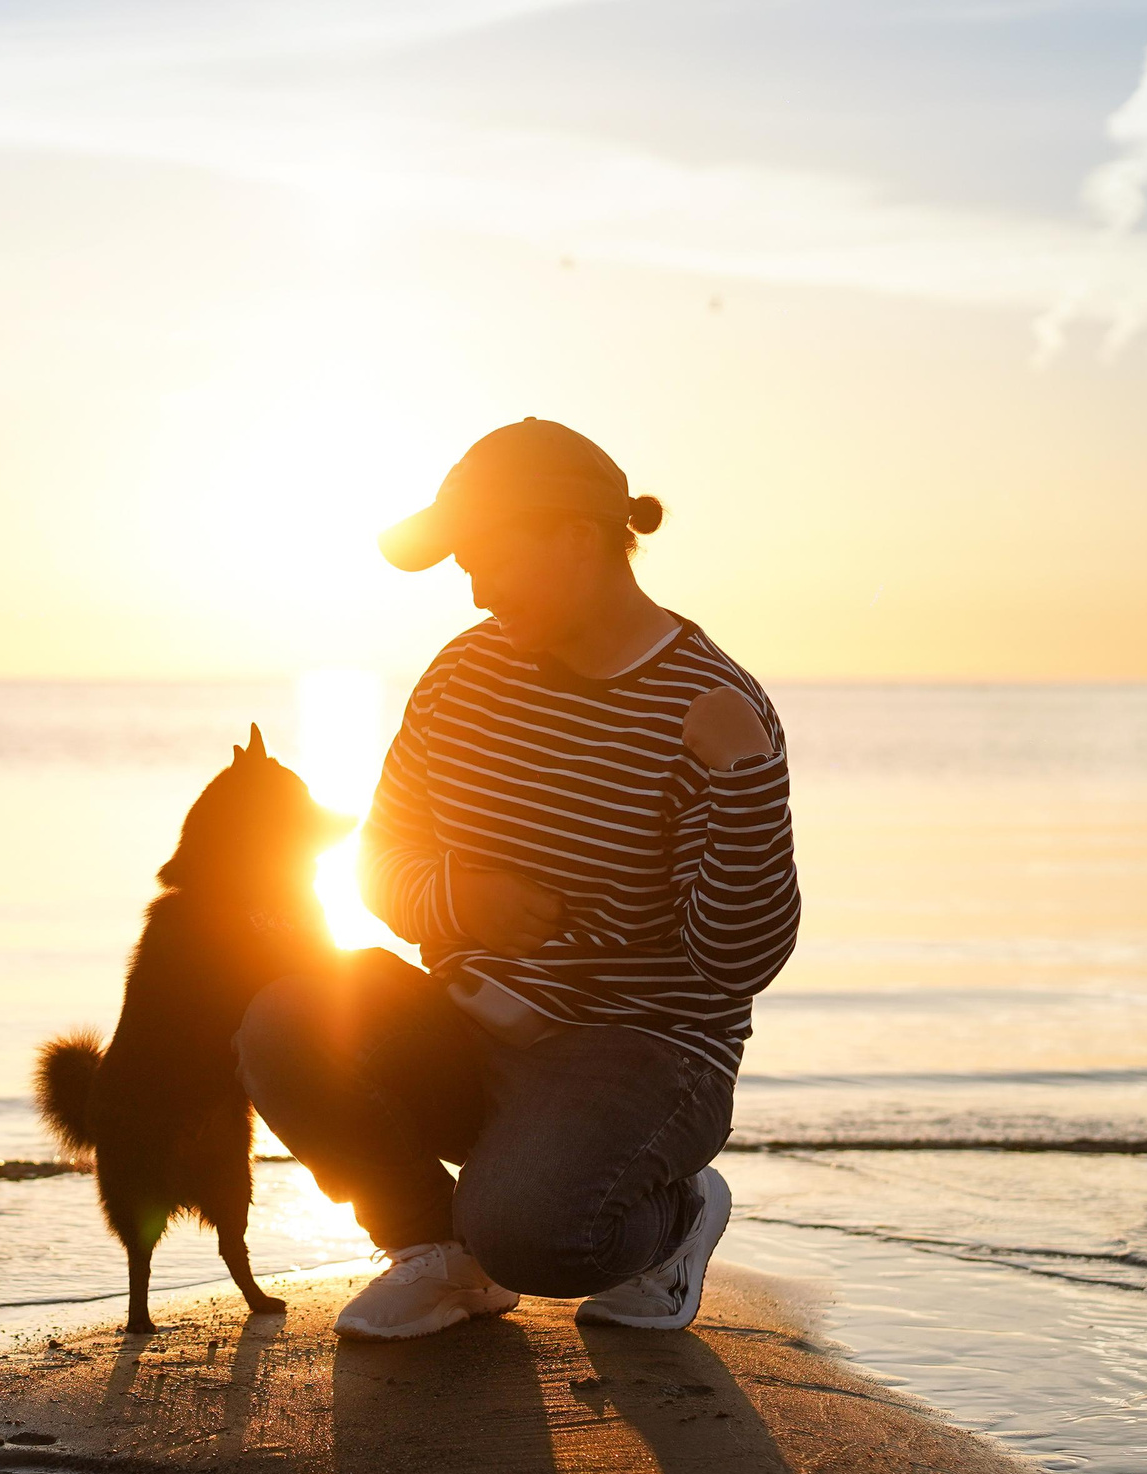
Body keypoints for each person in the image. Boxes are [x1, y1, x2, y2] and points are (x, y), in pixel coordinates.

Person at [237, 418, 800, 1340]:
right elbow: (377, 858)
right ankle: (438, 1253)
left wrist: (745, 780)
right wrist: (463, 899)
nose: (476, 591)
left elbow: (738, 958)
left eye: (487, 560)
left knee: (535, 1237)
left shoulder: (710, 708)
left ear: (576, 540)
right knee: (285, 1018)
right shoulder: (464, 674)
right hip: (473, 1027)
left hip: (642, 1051)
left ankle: (678, 1218)